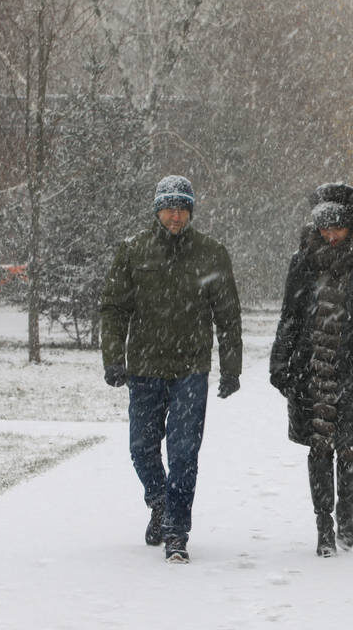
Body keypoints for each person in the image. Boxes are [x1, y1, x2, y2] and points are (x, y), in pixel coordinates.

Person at [100, 175, 243, 563]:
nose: (175, 216)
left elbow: (227, 315)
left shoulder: (211, 253)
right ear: (157, 210)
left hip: (190, 369)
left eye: (181, 208)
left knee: (183, 452)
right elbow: (114, 309)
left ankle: (177, 530)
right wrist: (113, 358)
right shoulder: (133, 251)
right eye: (168, 208)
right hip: (145, 367)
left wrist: (231, 368)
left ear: (191, 211)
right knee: (141, 448)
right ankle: (159, 502)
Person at [269, 182, 353, 557]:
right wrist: (281, 359)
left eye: (337, 227)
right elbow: (291, 315)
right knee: (319, 448)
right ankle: (323, 525)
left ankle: (346, 513)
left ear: (351, 225)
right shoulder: (303, 260)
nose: (330, 235)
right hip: (312, 368)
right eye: (325, 227)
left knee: (350, 448)